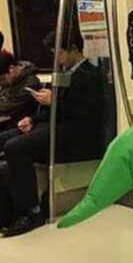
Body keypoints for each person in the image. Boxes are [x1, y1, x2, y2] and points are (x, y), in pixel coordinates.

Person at [1, 27, 103, 237]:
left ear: (73, 49)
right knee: (5, 137)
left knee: (15, 147)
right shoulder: (65, 74)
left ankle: (30, 212)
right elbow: (56, 110)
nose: (56, 59)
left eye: (59, 53)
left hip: (76, 135)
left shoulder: (90, 76)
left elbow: (84, 116)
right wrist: (32, 119)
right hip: (58, 126)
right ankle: (7, 209)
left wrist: (54, 101)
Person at [0, 54, 41, 136]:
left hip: (21, 124)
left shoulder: (31, 83)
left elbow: (7, 106)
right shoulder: (11, 81)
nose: (1, 83)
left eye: (2, 79)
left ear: (11, 69)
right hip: (7, 120)